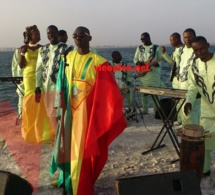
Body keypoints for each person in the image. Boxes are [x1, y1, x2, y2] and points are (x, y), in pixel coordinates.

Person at [50, 26, 126, 194]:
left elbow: (110, 92)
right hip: (69, 112)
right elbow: (61, 82)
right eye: (75, 35)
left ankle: (80, 186)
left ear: (89, 38)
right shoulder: (67, 57)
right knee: (66, 145)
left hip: (87, 116)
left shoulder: (100, 62)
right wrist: (58, 105)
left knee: (81, 150)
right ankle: (66, 178)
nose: (78, 37)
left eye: (81, 35)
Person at [184, 36, 215, 177]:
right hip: (207, 111)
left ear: (208, 45)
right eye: (196, 50)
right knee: (205, 143)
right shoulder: (194, 67)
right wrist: (189, 101)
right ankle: (205, 170)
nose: (199, 52)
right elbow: (192, 87)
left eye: (202, 48)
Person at [35, 25, 68, 143]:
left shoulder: (66, 48)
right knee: (51, 113)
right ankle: (58, 138)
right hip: (46, 87)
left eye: (52, 33)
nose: (50, 35)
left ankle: (63, 137)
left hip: (60, 87)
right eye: (48, 33)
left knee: (61, 113)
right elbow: (39, 68)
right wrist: (37, 86)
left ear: (57, 33)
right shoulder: (43, 50)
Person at [18, 25, 44, 142]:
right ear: (29, 36)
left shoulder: (43, 48)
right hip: (28, 78)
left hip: (40, 77)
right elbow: (21, 65)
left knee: (40, 102)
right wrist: (23, 54)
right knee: (29, 103)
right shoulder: (23, 48)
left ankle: (40, 131)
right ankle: (29, 131)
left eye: (39, 33)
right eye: (36, 34)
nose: (39, 35)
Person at [133, 32, 165, 114]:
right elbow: (135, 60)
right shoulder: (139, 48)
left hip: (153, 75)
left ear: (149, 38)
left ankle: (156, 110)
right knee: (144, 93)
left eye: (143, 39)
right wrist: (139, 63)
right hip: (143, 75)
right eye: (141, 39)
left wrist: (154, 63)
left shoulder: (156, 48)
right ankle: (145, 109)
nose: (142, 41)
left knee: (155, 93)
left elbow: (161, 61)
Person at [176, 28, 200, 127]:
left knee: (193, 115)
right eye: (185, 37)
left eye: (190, 37)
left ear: (195, 36)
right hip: (182, 88)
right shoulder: (182, 50)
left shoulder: (199, 50)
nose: (187, 39)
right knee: (184, 113)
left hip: (194, 89)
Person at [11, 32, 26, 117]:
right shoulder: (18, 51)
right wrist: (15, 78)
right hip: (21, 79)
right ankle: (21, 117)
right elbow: (14, 66)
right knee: (21, 100)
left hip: (32, 79)